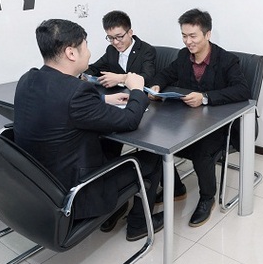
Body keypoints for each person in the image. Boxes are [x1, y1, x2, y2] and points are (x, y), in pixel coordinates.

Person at [13, 19, 163, 241]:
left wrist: (102, 100)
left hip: (41, 183)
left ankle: (116, 210)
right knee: (154, 157)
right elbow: (129, 121)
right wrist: (137, 91)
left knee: (109, 142)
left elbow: (59, 104)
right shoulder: (77, 91)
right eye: (86, 46)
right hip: (77, 191)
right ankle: (139, 224)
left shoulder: (28, 79)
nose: (89, 53)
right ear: (71, 53)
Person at [147, 9, 250, 227]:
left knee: (202, 150)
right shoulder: (183, 56)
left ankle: (207, 198)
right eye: (184, 36)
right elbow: (166, 74)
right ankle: (176, 189)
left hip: (220, 124)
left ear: (207, 34)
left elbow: (242, 90)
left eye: (193, 36)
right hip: (191, 120)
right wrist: (156, 86)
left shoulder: (227, 60)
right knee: (156, 140)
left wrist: (205, 98)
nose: (188, 41)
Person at [84, 10, 156, 88]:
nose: (115, 42)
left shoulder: (146, 50)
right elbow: (95, 68)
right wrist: (83, 75)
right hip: (117, 93)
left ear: (130, 33)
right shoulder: (111, 50)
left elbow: (148, 77)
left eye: (119, 37)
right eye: (110, 38)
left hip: (139, 93)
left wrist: (121, 78)